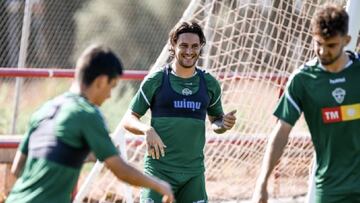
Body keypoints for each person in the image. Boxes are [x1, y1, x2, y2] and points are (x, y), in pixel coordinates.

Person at [5, 45, 174, 203]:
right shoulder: (87, 114)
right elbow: (120, 169)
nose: (109, 95)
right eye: (112, 86)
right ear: (101, 81)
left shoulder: (45, 109)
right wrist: (160, 185)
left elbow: (17, 169)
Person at [252, 3, 360, 203]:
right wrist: (262, 182)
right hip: (328, 189)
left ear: (347, 40)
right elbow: (281, 131)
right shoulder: (303, 80)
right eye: (318, 43)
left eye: (331, 45)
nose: (322, 51)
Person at [121, 21, 237, 203]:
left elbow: (215, 121)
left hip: (193, 175)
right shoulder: (156, 80)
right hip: (158, 172)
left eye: (194, 46)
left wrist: (223, 124)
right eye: (183, 45)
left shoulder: (209, 83)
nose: (189, 51)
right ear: (173, 45)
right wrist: (147, 130)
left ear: (201, 47)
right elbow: (128, 119)